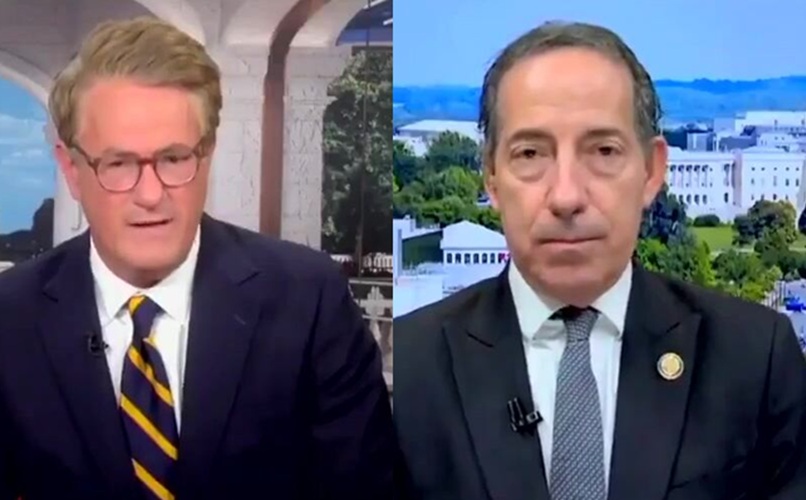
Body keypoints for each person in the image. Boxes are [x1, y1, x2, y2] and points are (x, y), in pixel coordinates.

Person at [394, 21, 806, 500]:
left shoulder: (755, 358)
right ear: (491, 176)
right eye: (530, 153)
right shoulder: (410, 366)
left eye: (604, 151)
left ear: (651, 171)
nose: (566, 196)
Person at [0, 16, 395, 500]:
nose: (150, 195)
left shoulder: (309, 302)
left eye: (173, 159)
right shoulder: (9, 319)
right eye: (119, 163)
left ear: (206, 155)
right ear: (71, 169)